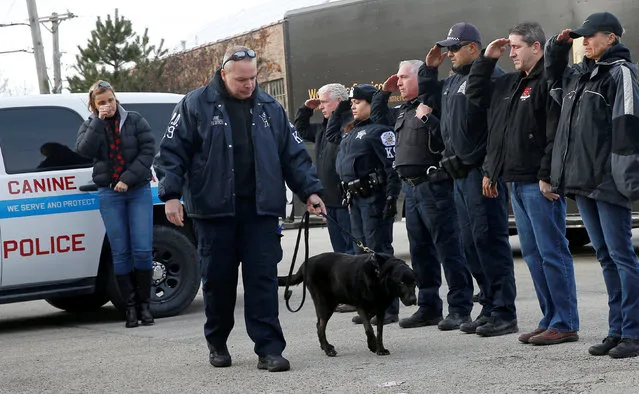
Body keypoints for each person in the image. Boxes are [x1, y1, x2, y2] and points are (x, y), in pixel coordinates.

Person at [153, 46, 325, 372]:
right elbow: (171, 153)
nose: (249, 85)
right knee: (219, 282)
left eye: (253, 78)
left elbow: (293, 154)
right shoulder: (195, 105)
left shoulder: (269, 107)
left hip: (259, 210)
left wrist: (311, 191)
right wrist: (171, 194)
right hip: (213, 210)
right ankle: (217, 342)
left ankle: (269, 349)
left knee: (262, 280)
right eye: (241, 79)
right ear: (223, 74)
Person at [466, 22, 579, 345]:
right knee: (532, 254)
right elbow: (477, 97)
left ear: (536, 47)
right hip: (514, 180)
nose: (511, 53)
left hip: (538, 183)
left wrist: (547, 175)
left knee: (552, 252)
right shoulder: (511, 84)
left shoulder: (548, 81)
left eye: (516, 47)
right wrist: (486, 61)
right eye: (510, 47)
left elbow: (553, 132)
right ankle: (549, 318)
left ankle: (565, 322)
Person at [546, 12, 639, 358]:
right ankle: (617, 329)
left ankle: (634, 331)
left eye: (590, 36)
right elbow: (550, 81)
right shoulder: (579, 77)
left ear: (611, 38)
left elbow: (626, 127)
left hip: (609, 182)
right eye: (581, 37)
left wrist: (627, 180)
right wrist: (558, 47)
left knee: (621, 257)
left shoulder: (621, 74)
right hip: (583, 182)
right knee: (604, 256)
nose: (584, 42)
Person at [420, 22, 518, 336]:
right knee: (471, 244)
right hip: (459, 175)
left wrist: (490, 170)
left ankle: (504, 312)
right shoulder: (451, 81)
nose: (448, 53)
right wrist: (429, 70)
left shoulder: (490, 77)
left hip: (480, 174)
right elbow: (429, 101)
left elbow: (499, 129)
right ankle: (488, 307)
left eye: (453, 48)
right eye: (446, 48)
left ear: (472, 48)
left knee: (490, 241)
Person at [370, 60, 474, 331]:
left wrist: (428, 116)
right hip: (412, 190)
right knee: (421, 252)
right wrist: (384, 92)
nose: (400, 82)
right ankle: (429, 307)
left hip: (435, 187)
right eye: (399, 78)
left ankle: (460, 308)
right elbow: (379, 119)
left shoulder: (435, 103)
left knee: (449, 250)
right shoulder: (404, 110)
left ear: (420, 78)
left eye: (404, 77)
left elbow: (447, 137)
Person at [75, 80, 156, 328]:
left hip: (138, 191)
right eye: (101, 102)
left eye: (110, 100)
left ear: (115, 99)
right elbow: (84, 150)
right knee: (120, 252)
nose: (108, 105)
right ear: (93, 105)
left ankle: (145, 305)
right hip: (109, 194)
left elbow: (149, 149)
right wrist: (98, 121)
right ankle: (130, 308)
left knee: (142, 250)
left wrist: (127, 179)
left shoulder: (134, 119)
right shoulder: (91, 125)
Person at [325, 84, 402, 325]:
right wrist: (339, 110)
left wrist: (391, 197)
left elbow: (392, 168)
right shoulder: (350, 132)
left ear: (371, 103)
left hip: (374, 199)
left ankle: (389, 309)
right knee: (361, 255)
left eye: (358, 101)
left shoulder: (381, 132)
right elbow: (330, 136)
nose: (354, 106)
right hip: (355, 200)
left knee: (379, 252)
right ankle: (370, 306)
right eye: (352, 102)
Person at [294, 83, 355, 255]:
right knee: (339, 254)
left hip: (345, 201)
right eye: (319, 102)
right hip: (328, 201)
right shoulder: (323, 127)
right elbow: (300, 131)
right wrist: (306, 109)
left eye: (324, 102)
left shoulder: (350, 125)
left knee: (351, 252)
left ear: (339, 101)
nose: (320, 106)